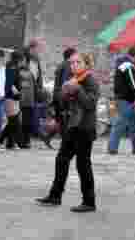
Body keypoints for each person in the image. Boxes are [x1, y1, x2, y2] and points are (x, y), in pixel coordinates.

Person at [36, 52, 100, 212]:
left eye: (78, 62)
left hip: (85, 127)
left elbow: (90, 104)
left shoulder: (90, 80)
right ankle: (55, 196)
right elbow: (63, 103)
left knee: (83, 164)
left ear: (86, 64)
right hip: (72, 126)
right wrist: (63, 94)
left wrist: (77, 89)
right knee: (62, 160)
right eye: (72, 63)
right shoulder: (73, 80)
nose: (74, 65)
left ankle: (89, 202)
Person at [108, 46, 135, 156]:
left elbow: (130, 84)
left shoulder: (122, 64)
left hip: (126, 99)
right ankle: (112, 148)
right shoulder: (128, 66)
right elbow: (133, 86)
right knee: (120, 123)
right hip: (125, 99)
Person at [0, 50, 23, 150]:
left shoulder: (10, 66)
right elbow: (9, 81)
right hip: (11, 97)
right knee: (14, 121)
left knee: (13, 121)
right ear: (19, 59)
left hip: (12, 97)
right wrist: (15, 90)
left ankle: (9, 142)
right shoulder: (13, 67)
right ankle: (1, 141)